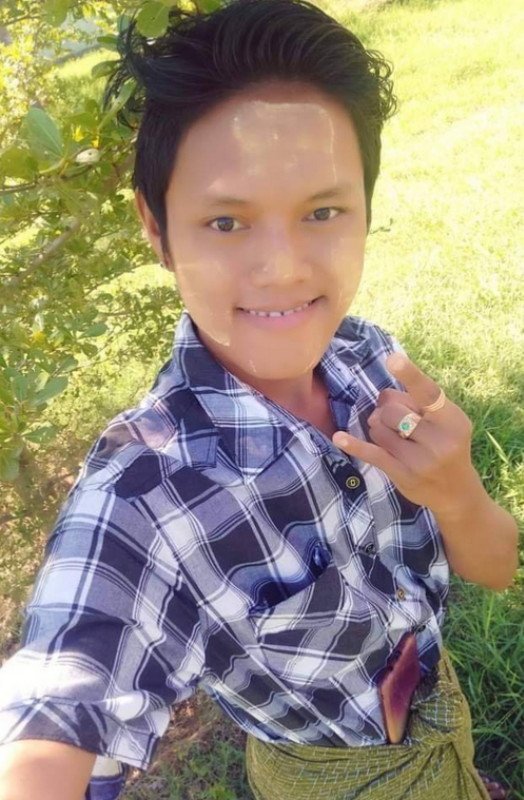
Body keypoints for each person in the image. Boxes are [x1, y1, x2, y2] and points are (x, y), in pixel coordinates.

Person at [0, 1, 518, 798]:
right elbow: (55, 705)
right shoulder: (146, 494)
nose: (282, 268)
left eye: (322, 212)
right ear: (156, 227)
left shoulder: (371, 363)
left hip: (441, 719)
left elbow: (498, 566)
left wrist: (457, 493)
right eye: (225, 222)